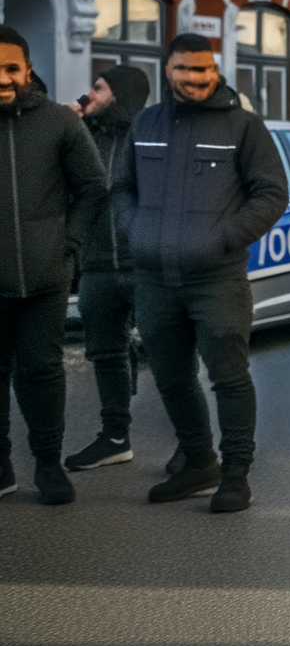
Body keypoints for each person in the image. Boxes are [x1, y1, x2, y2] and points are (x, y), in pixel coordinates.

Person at [115, 33, 289, 512]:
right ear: (166, 70)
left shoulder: (243, 126)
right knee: (171, 377)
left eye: (204, 69)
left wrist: (224, 238)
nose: (196, 78)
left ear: (215, 70)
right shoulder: (145, 122)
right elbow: (122, 188)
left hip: (217, 278)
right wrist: (134, 230)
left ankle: (235, 476)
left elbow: (272, 194)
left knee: (228, 377)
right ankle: (197, 462)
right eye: (185, 69)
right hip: (153, 278)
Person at [0, 27, 108, 503]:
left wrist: (69, 242)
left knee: (42, 371)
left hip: (46, 276)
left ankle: (47, 465)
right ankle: (1, 466)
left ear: (27, 69)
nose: (2, 78)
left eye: (10, 68)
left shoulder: (60, 123)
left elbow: (93, 186)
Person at [65, 64, 152, 474]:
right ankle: (115, 438)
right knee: (106, 352)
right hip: (97, 265)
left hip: (144, 266)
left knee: (171, 352)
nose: (89, 94)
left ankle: (194, 445)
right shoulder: (83, 137)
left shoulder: (150, 138)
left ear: (119, 94)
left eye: (97, 88)